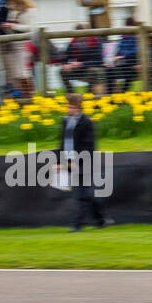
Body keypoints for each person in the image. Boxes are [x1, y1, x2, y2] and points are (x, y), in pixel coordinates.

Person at [57, 93, 112, 232]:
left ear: (78, 107)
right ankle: (101, 219)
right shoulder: (66, 121)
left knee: (81, 194)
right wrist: (60, 161)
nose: (68, 109)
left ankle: (77, 225)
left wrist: (77, 161)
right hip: (69, 162)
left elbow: (89, 146)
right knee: (86, 194)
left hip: (84, 162)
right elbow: (62, 143)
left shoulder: (87, 122)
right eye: (67, 106)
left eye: (71, 106)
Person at [0, 0, 36, 101]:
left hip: (20, 43)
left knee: (21, 72)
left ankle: (28, 97)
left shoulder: (27, 11)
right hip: (11, 41)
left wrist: (13, 25)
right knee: (13, 73)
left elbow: (29, 27)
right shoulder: (13, 10)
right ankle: (18, 98)